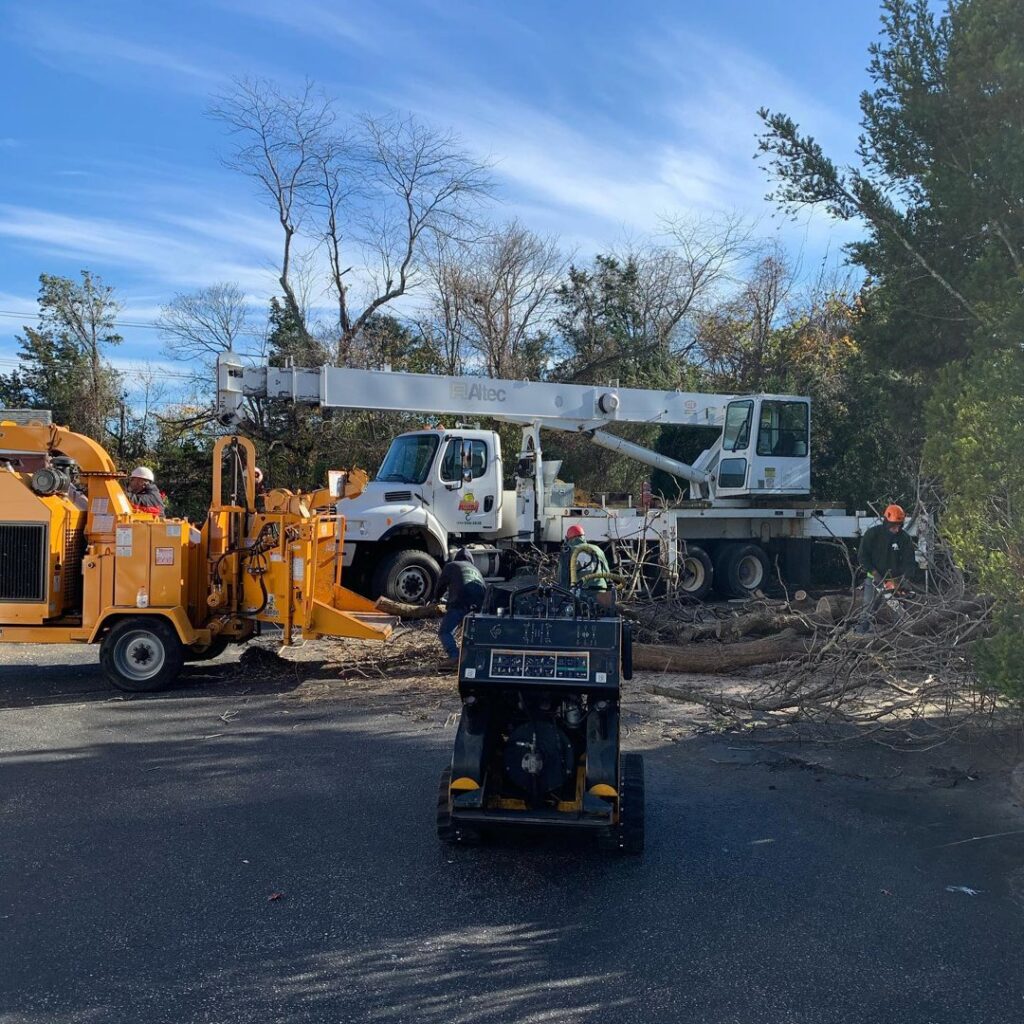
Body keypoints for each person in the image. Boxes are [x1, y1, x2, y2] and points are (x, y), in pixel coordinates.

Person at [855, 504, 917, 634]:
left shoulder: (904, 538)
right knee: (868, 611)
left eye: (899, 526)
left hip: (895, 581)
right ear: (887, 522)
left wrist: (905, 578)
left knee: (899, 612)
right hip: (874, 580)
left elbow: (909, 561)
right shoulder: (873, 534)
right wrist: (873, 572)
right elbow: (863, 556)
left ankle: (902, 638)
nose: (896, 529)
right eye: (894, 526)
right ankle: (859, 635)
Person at [436, 548, 487, 666]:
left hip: (459, 601)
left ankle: (454, 657)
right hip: (478, 605)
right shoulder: (477, 571)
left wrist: (436, 599)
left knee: (445, 632)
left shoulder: (451, 566)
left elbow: (440, 585)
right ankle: (470, 658)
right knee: (471, 633)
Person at [558, 522, 609, 593]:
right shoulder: (597, 549)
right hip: (600, 589)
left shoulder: (567, 552)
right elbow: (606, 572)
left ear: (568, 539)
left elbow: (562, 577)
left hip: (580, 592)